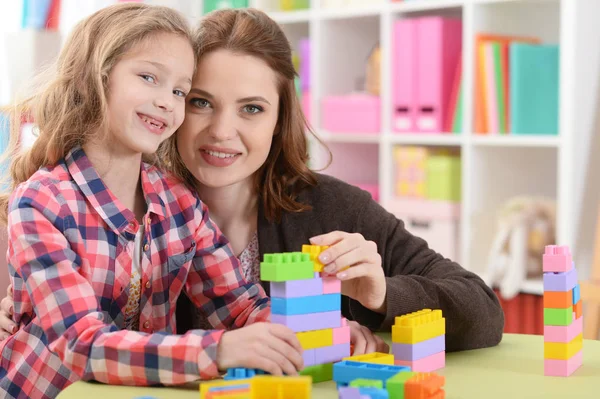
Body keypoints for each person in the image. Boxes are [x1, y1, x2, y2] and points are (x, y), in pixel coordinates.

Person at [1, 7, 504, 354]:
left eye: (252, 109)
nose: (222, 131)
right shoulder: (141, 204)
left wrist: (380, 297)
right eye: (199, 101)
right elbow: (73, 329)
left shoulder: (330, 208)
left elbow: (483, 311)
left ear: (279, 118)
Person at [0, 4, 303, 399]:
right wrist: (219, 350)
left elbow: (240, 307)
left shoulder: (180, 203)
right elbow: (81, 344)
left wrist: (323, 333)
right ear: (96, 78)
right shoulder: (41, 203)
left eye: (180, 90)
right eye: (149, 78)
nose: (167, 102)